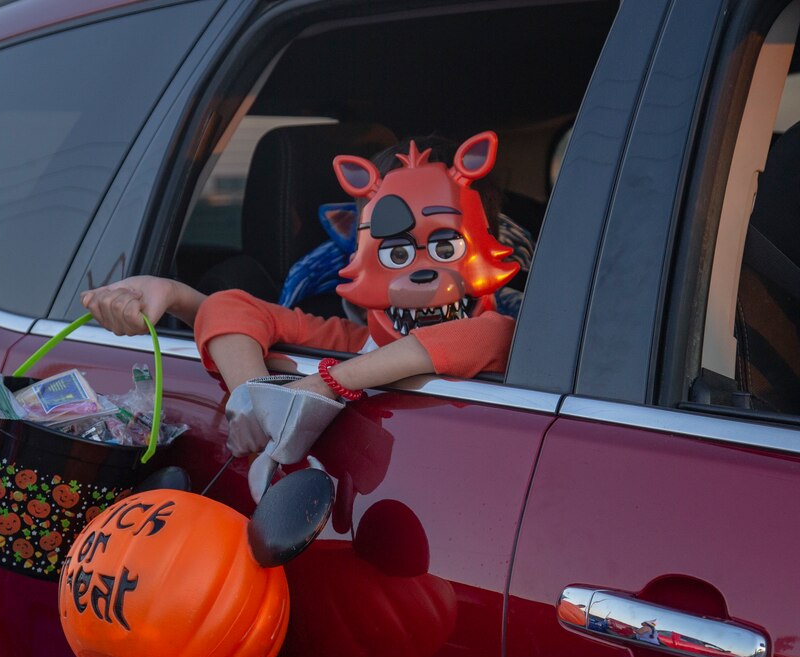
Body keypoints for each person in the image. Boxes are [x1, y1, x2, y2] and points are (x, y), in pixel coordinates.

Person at [82, 132, 519, 478]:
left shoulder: (506, 335)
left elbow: (485, 335)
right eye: (396, 253)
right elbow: (231, 307)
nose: (421, 274)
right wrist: (254, 399)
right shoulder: (350, 339)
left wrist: (323, 384)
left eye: (444, 247)